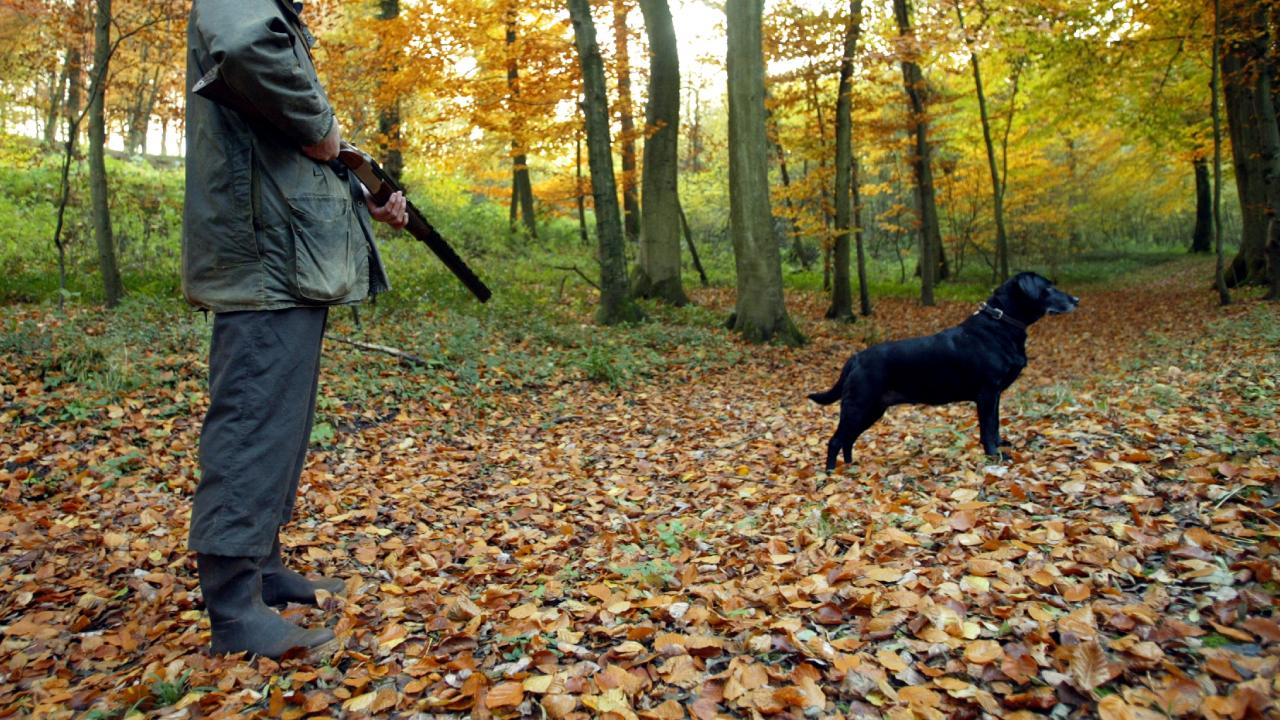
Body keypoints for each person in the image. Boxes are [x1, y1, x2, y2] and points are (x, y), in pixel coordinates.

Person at [184, 0, 408, 659]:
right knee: (254, 422)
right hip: (264, 258)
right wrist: (324, 129)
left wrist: (356, 181)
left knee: (277, 424)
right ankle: (232, 608)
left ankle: (260, 567)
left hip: (285, 254)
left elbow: (288, 147)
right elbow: (250, 54)